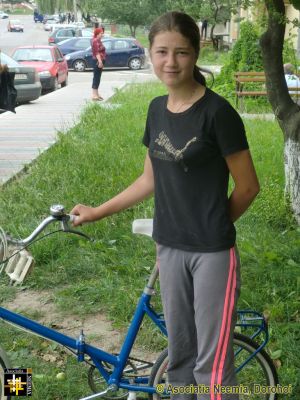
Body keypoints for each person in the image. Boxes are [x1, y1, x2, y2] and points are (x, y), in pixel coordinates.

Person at [71, 11, 260, 399]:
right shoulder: (157, 109)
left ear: (195, 54)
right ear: (150, 52)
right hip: (169, 247)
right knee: (180, 357)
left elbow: (248, 187)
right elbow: (149, 179)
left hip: (211, 254)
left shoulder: (218, 114)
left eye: (181, 53)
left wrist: (213, 225)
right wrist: (97, 211)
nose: (170, 62)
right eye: (161, 52)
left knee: (213, 366)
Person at [91, 27, 106, 101]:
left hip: (100, 60)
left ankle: (97, 93)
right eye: (101, 33)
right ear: (97, 34)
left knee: (98, 77)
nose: (102, 35)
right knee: (96, 77)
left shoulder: (99, 40)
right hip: (97, 61)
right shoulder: (95, 41)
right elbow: (96, 52)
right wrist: (100, 61)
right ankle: (94, 94)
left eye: (102, 33)